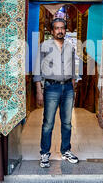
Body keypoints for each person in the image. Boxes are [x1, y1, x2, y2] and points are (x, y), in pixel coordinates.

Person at [33, 16, 79, 168]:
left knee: (67, 123)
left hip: (68, 88)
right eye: (57, 28)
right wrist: (39, 91)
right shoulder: (44, 46)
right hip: (51, 88)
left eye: (62, 28)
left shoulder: (70, 46)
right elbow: (37, 70)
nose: (60, 30)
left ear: (65, 30)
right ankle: (45, 154)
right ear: (52, 31)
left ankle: (65, 150)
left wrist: (73, 87)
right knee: (48, 123)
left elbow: (73, 69)